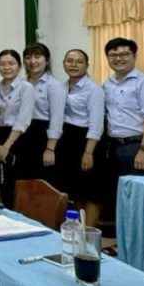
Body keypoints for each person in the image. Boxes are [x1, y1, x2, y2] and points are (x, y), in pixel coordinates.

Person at [102, 37, 144, 202]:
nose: (118, 59)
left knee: (138, 197)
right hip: (114, 147)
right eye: (113, 55)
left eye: (124, 54)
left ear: (134, 56)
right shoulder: (107, 84)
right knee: (119, 196)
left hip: (137, 146)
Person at [55, 49, 105, 226]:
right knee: (75, 189)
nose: (73, 65)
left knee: (90, 190)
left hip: (86, 141)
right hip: (67, 140)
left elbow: (96, 123)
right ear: (63, 63)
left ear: (87, 65)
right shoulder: (61, 87)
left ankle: (87, 233)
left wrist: (89, 152)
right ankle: (77, 229)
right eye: (69, 61)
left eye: (79, 61)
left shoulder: (94, 90)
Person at [0, 49, 35, 207]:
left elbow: (23, 120)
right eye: (2, 64)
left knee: (16, 182)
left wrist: (6, 147)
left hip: (18, 138)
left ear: (19, 66)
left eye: (11, 63)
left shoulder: (26, 88)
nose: (6, 67)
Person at [22, 42, 65, 181]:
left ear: (46, 61)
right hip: (23, 135)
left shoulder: (54, 85)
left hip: (43, 137)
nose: (32, 61)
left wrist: (50, 149)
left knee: (42, 183)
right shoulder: (22, 83)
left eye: (38, 56)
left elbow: (57, 119)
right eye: (28, 57)